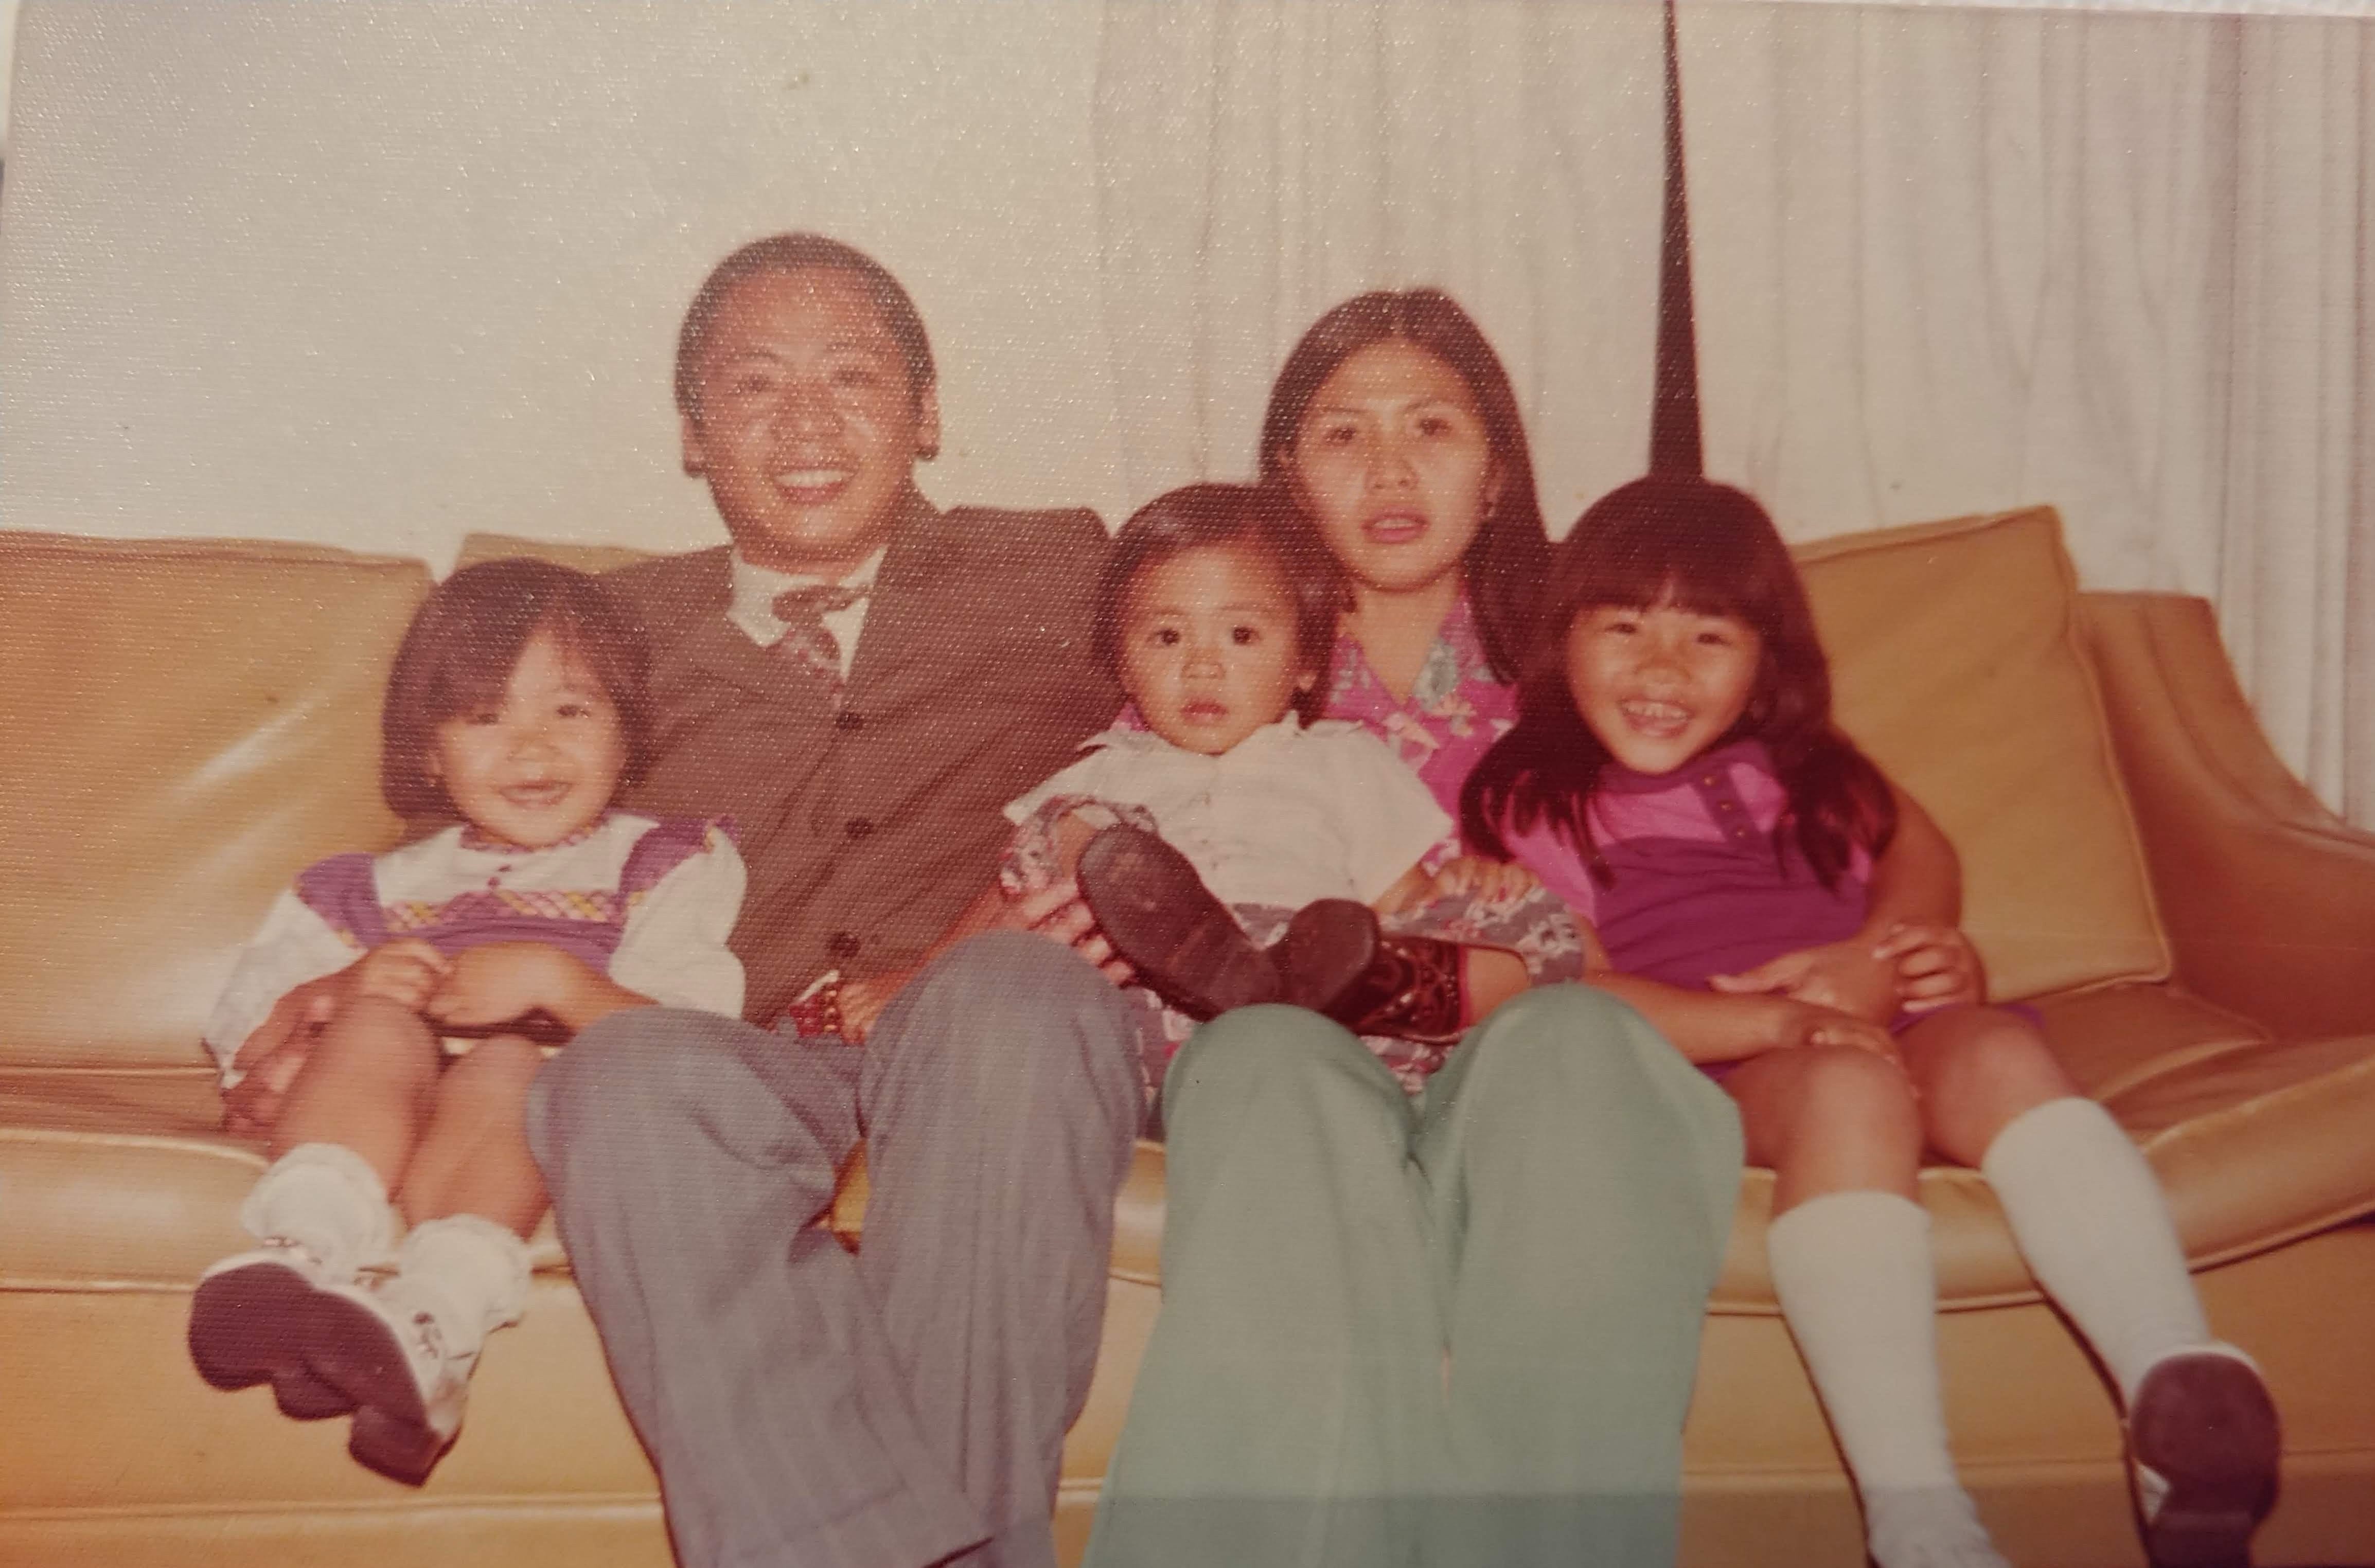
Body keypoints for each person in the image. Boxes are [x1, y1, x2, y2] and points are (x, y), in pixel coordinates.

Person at [1463, 474, 2281, 1568]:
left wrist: (1901, 953)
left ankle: (2172, 1387)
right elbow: (1570, 995)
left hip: (1871, 1019)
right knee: (1850, 1090)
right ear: (1562, 644)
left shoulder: (1805, 774)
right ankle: (1918, 1516)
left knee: (1996, 1044)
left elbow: (1918, 851)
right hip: (1719, 1062)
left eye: (1707, 637)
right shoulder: (1537, 798)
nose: (1661, 669)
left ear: (1763, 669)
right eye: (1624, 630)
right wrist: (1770, 1024)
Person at [1082, 291, 1747, 1568]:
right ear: (1287, 478)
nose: (1389, 467)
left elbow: (1829, 792)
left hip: (1515, 1035)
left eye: (1431, 428)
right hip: (1289, 1046)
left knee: (1578, 1048)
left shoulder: (1599, 660)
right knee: (1268, 1053)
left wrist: (1886, 928)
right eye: (1342, 435)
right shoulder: (1224, 648)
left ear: (1496, 473)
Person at [515, 234, 1144, 1568]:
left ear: (925, 414)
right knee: (614, 1078)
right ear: (695, 435)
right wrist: (349, 1008)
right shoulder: (609, 629)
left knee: (1020, 994)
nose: (805, 420)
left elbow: (1268, 679)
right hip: (740, 1047)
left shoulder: (1061, 568)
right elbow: (470, 853)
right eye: (754, 386)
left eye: (851, 376)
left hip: (983, 1016)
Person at [188, 559, 745, 1486]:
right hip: (380, 1105)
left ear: (627, 734)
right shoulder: (360, 888)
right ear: (429, 752)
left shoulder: (664, 861)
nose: (530, 749)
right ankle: (302, 1256)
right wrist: (335, 990)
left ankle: (434, 1321)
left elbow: (691, 1032)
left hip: (523, 1111)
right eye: (485, 716)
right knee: (375, 1026)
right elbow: (243, 1033)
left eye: (569, 710)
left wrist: (558, 981)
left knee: (508, 1064)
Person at [1002, 480, 1541, 1100]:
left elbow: (1404, 898)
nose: (1202, 665)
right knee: (1066, 825)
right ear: (1124, 666)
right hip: (1151, 999)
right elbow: (1021, 892)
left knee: (1521, 938)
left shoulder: (1340, 759)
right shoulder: (1103, 768)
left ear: (1306, 663)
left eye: (1241, 636)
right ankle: (1200, 947)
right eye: (1167, 637)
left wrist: (1458, 893)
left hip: (1318, 980)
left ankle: (1279, 987)